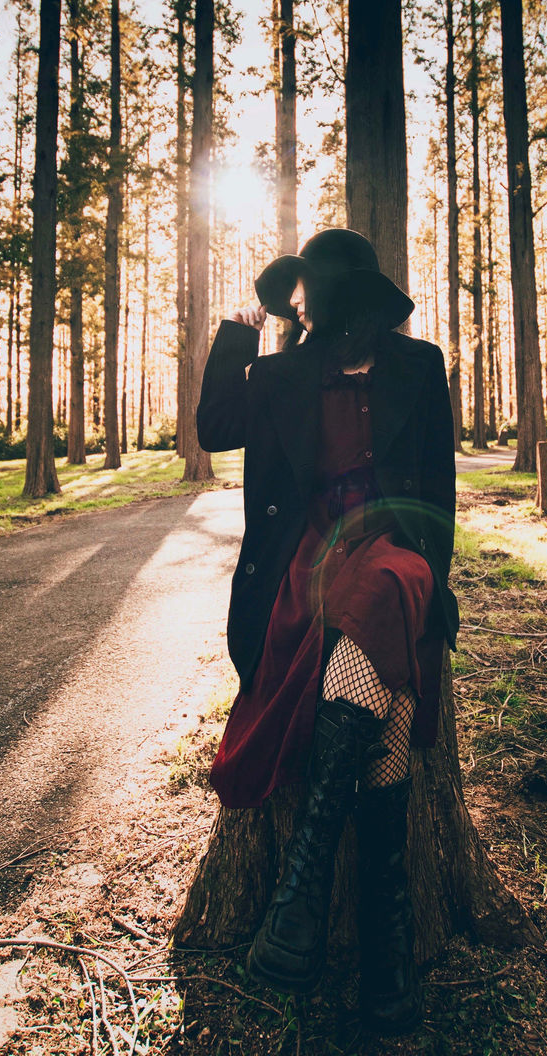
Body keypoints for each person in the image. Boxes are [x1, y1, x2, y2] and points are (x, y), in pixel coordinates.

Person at [195, 228, 458, 1035]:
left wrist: (437, 585)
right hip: (307, 564)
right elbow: (213, 427)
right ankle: (387, 958)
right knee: (386, 711)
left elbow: (440, 485)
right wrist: (239, 327)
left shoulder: (419, 365)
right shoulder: (281, 373)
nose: (321, 314)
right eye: (310, 302)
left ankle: (304, 887)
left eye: (330, 299)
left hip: (395, 549)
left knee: (385, 589)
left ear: (368, 306)